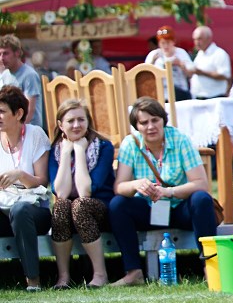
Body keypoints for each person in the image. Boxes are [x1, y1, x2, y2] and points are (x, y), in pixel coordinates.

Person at [107, 97, 217, 286]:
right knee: (118, 204)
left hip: (177, 208)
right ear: (137, 126)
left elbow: (201, 183)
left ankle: (211, 267)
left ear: (163, 121)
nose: (150, 126)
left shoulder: (180, 139)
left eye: (155, 120)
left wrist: (169, 192)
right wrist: (136, 184)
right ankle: (134, 271)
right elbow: (119, 187)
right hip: (148, 210)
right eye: (144, 122)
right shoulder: (130, 143)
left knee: (201, 199)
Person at [47, 99, 115, 288]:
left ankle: (100, 274)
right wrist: (67, 153)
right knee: (61, 205)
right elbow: (61, 192)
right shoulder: (55, 151)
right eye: (70, 121)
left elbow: (86, 191)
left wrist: (79, 152)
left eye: (81, 120)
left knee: (80, 204)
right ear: (61, 125)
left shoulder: (103, 147)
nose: (76, 125)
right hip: (70, 211)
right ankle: (63, 277)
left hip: (100, 207)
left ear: (88, 121)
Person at [0, 85, 51, 291]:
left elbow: (42, 180)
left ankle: (33, 280)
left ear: (19, 113)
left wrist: (20, 174)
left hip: (33, 210)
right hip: (3, 207)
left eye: (2, 111)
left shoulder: (35, 134)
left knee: (20, 211)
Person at [0, 34, 44, 130]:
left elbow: (29, 109)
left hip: (30, 129)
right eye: (0, 54)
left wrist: (18, 130)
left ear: (17, 53)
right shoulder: (4, 75)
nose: (2, 58)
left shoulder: (29, 75)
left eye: (6, 53)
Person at [144, 26, 192, 102]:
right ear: (159, 43)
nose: (166, 46)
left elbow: (190, 74)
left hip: (180, 93)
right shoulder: (153, 55)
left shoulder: (181, 53)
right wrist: (152, 63)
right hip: (160, 94)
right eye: (163, 43)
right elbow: (145, 76)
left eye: (168, 42)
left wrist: (180, 65)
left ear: (173, 42)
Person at [189, 25, 231, 99]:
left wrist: (202, 73)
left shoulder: (219, 53)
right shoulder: (200, 54)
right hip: (199, 97)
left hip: (215, 97)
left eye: (199, 39)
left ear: (209, 38)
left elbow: (224, 75)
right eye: (195, 39)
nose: (196, 42)